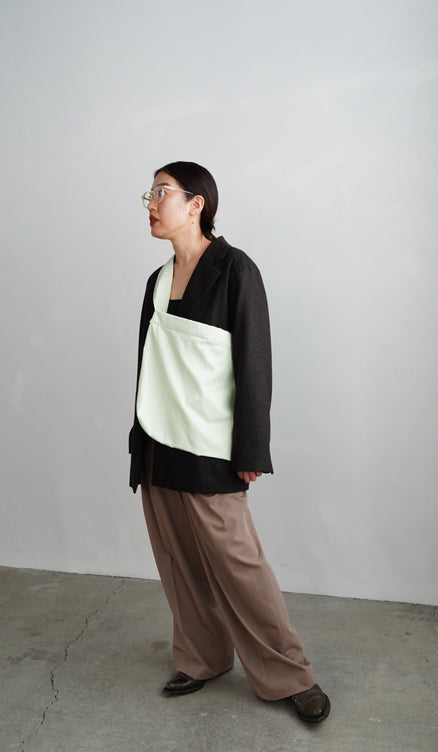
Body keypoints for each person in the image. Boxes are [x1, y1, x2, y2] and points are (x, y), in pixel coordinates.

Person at [129, 161, 330, 723]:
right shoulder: (157, 280)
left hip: (211, 445)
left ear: (197, 203)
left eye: (162, 192)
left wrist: (251, 450)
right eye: (149, 194)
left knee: (240, 565)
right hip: (158, 443)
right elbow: (149, 369)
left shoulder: (236, 269)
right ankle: (203, 658)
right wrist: (137, 441)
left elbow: (255, 364)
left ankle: (290, 674)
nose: (151, 203)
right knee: (179, 562)